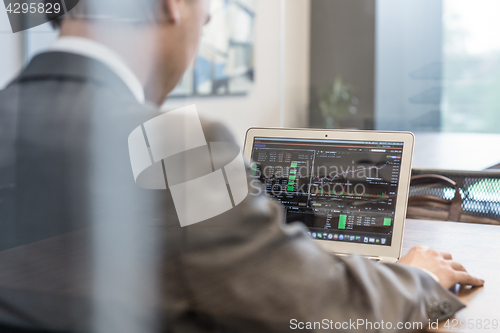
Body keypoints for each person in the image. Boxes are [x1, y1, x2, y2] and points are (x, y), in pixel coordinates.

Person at [0, 0, 484, 332]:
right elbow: (317, 309)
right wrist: (419, 278)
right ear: (173, 5)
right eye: (205, 21)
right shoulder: (175, 146)